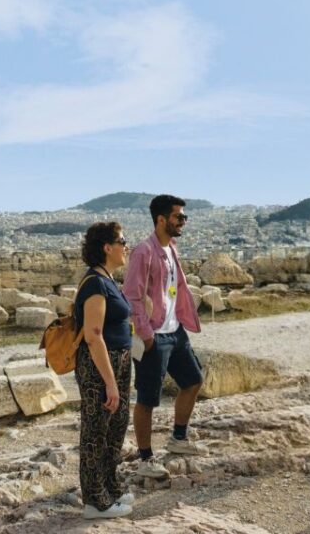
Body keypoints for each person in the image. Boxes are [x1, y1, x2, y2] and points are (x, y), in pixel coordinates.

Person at [124, 194, 206, 479]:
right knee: (147, 398)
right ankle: (145, 458)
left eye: (183, 216)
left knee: (193, 381)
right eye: (179, 217)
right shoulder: (143, 252)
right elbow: (132, 296)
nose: (183, 221)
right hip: (154, 336)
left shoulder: (171, 247)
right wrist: (145, 335)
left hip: (175, 330)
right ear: (161, 219)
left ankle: (178, 439)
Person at [74, 222, 134, 519]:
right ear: (106, 247)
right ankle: (94, 502)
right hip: (100, 365)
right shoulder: (96, 283)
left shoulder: (108, 279)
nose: (127, 246)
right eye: (122, 241)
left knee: (116, 426)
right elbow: (93, 334)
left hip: (119, 361)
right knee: (96, 430)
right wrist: (110, 382)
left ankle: (109, 489)